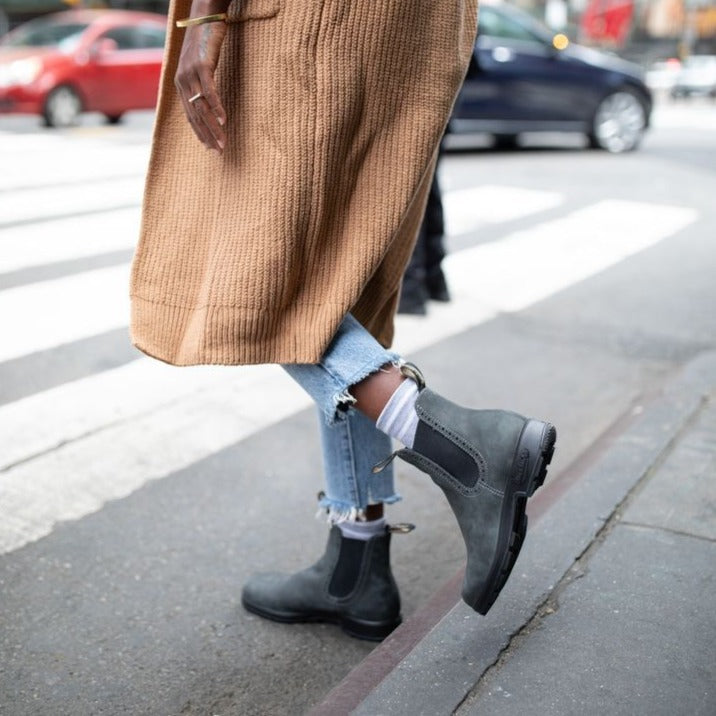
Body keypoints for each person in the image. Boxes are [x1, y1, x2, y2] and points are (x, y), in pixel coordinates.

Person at [129, 0, 556, 641]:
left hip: (304, 21)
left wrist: (204, 20)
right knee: (340, 282)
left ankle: (461, 445)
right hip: (424, 25)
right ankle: (356, 567)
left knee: (253, 273)